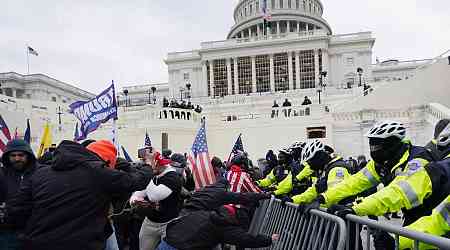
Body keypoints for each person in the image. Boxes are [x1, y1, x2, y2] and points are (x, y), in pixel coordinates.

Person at [7, 140, 153, 250]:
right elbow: (138, 180)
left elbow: (16, 209)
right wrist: (148, 164)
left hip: (37, 243)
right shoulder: (98, 173)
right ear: (106, 161)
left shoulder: (40, 173)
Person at [322, 121, 435, 226]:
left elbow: (397, 193)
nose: (373, 150)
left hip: (432, 217)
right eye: (372, 146)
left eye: (376, 146)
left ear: (392, 144)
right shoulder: (381, 163)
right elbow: (353, 183)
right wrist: (324, 198)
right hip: (412, 216)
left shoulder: (418, 160)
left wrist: (356, 207)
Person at [158, 205, 278, 250]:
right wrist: (269, 240)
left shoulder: (204, 212)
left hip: (165, 243)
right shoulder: (224, 226)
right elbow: (246, 239)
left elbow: (176, 223)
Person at [130, 151, 183, 250]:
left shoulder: (172, 177)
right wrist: (134, 200)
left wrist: (147, 175)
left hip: (168, 223)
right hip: (150, 221)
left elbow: (154, 196)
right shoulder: (154, 175)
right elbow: (139, 192)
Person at [0, 139, 37, 250]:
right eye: (13, 155)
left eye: (21, 155)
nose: (17, 159)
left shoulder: (40, 174)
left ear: (28, 156)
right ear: (7, 157)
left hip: (32, 231)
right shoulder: (2, 175)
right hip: (7, 232)